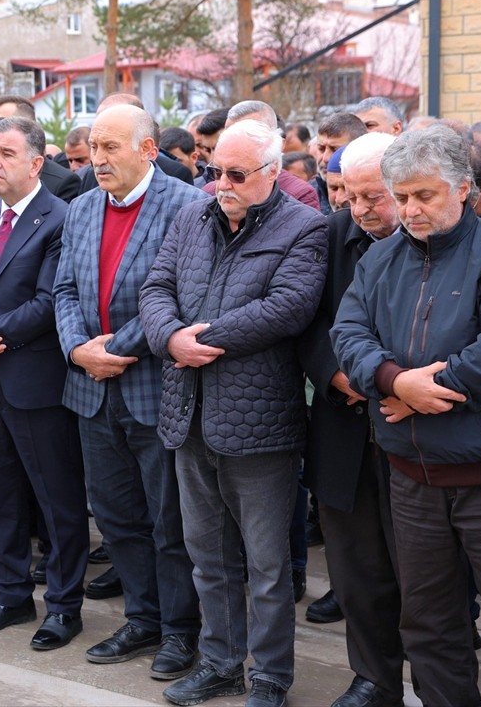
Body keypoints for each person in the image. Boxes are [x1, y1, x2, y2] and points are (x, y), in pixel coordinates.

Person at [332, 124, 481, 707]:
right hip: (412, 475)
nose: (409, 209)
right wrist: (393, 381)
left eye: (424, 195)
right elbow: (347, 331)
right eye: (401, 197)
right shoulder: (379, 261)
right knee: (427, 623)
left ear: (463, 190)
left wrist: (431, 389)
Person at [139, 118, 328, 707]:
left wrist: (205, 338)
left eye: (237, 174)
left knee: (269, 569)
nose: (221, 182)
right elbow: (155, 287)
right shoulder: (192, 215)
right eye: (214, 169)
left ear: (273, 173)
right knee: (208, 557)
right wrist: (171, 337)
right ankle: (220, 662)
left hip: (259, 422)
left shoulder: (305, 228)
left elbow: (289, 307)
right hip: (187, 413)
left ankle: (270, 676)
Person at [53, 104, 207, 679]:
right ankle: (141, 617)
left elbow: (183, 298)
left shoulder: (188, 206)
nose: (97, 160)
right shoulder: (83, 206)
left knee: (170, 521)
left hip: (155, 386)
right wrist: (77, 349)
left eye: (110, 147)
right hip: (92, 388)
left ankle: (180, 630)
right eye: (94, 147)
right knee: (116, 515)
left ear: (147, 150)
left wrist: (115, 347)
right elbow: (64, 288)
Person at [0, 116, 88, 650]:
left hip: (36, 381)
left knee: (56, 500)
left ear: (36, 162)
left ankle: (64, 606)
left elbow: (52, 302)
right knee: (1, 498)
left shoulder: (60, 218)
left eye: (4, 152)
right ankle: (10, 596)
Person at [298, 131, 405, 707]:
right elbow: (308, 318)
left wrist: (392, 379)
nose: (358, 209)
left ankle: (443, 669)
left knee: (427, 566)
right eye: (348, 195)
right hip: (344, 423)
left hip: (415, 424)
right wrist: (338, 374)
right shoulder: (333, 232)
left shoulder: (434, 237)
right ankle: (374, 678)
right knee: (356, 566)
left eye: (373, 197)